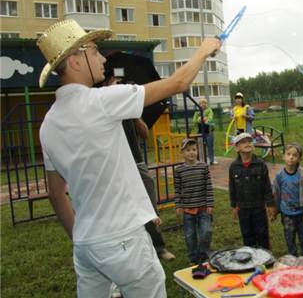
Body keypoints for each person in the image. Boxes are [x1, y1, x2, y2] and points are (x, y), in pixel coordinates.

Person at [38, 19, 220, 297]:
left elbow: (55, 193)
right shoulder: (101, 101)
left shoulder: (48, 123)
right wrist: (204, 50)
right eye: (95, 51)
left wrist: (81, 238)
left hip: (86, 245)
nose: (103, 59)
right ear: (75, 61)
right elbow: (179, 82)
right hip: (124, 240)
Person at [102, 75, 175, 262]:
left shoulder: (128, 109)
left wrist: (134, 115)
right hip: (115, 166)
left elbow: (144, 134)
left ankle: (159, 247)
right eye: (115, 83)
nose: (119, 86)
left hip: (136, 162)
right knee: (120, 209)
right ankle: (127, 250)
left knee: (149, 205)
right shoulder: (103, 107)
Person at [229, 132, 274, 249]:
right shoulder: (234, 167)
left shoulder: (260, 164)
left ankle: (265, 256)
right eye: (243, 142)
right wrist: (234, 206)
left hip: (259, 207)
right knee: (247, 235)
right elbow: (232, 187)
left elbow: (267, 186)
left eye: (249, 141)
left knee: (262, 233)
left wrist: (269, 204)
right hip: (243, 208)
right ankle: (251, 257)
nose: (247, 143)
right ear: (236, 148)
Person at [174, 138, 214, 265]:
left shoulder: (203, 167)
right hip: (188, 209)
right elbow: (178, 189)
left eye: (194, 149)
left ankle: (204, 255)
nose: (191, 153)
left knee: (206, 232)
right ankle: (193, 258)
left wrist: (210, 203)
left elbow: (208, 186)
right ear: (182, 152)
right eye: (188, 150)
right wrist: (178, 205)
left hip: (203, 208)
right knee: (190, 235)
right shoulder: (179, 170)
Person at [271, 143, 303, 257]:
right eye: (288, 154)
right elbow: (276, 194)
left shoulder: (302, 175)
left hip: (301, 213)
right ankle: (293, 259)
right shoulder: (279, 176)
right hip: (287, 214)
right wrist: (275, 211)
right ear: (284, 156)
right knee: (290, 238)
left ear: (299, 158)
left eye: (294, 155)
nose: (291, 157)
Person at [193, 97, 218, 164]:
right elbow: (194, 121)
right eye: (201, 103)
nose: (202, 104)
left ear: (206, 104)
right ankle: (201, 160)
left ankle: (212, 160)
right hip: (200, 132)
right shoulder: (197, 112)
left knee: (210, 146)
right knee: (200, 146)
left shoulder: (209, 110)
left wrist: (205, 119)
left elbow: (210, 118)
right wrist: (199, 119)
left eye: (204, 103)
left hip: (208, 131)